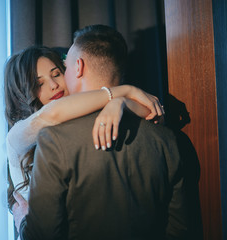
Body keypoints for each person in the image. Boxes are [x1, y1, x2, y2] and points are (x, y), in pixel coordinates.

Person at [13, 25, 189, 239]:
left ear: (78, 67)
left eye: (61, 70)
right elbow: (180, 230)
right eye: (38, 83)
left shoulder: (54, 141)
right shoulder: (167, 139)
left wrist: (23, 221)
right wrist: (124, 95)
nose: (54, 86)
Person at [4, 46, 164, 209]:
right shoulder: (16, 136)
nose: (53, 85)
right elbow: (52, 114)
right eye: (39, 84)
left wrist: (120, 102)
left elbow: (151, 112)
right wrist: (126, 90)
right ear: (23, 94)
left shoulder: (80, 115)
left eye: (56, 74)